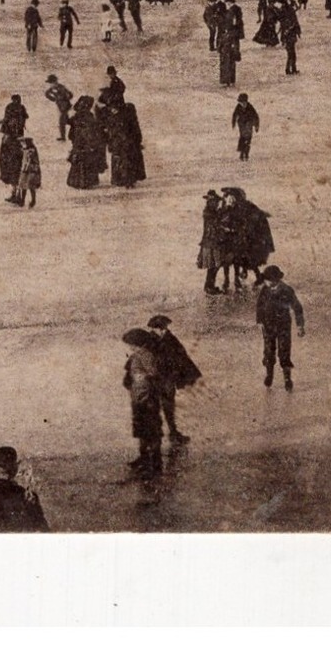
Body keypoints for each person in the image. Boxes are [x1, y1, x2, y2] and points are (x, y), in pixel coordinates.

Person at [147, 314, 201, 445]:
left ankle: (172, 433)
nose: (164, 330)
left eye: (164, 328)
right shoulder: (151, 341)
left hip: (167, 378)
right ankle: (165, 434)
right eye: (162, 328)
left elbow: (182, 355)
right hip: (157, 379)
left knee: (167, 406)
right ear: (156, 328)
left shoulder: (168, 339)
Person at [122, 328, 165, 477]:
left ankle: (154, 463)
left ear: (138, 343)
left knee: (151, 431)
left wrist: (142, 378)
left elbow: (153, 373)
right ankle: (144, 459)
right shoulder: (137, 355)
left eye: (131, 344)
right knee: (142, 429)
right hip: (139, 396)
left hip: (147, 398)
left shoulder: (145, 355)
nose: (130, 347)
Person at [255, 266, 304, 390]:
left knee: (284, 351)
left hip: (283, 326)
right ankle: (269, 374)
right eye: (266, 280)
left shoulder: (287, 290)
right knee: (268, 351)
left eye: (269, 280)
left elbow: (297, 307)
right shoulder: (265, 290)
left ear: (276, 280)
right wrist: (259, 321)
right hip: (268, 326)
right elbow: (259, 306)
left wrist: (300, 325)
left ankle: (287, 378)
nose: (266, 282)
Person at [198, 190, 229, 294]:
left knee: (214, 265)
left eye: (216, 202)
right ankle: (209, 286)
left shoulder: (212, 212)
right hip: (211, 242)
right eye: (214, 202)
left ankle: (210, 286)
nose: (216, 204)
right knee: (214, 265)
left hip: (211, 241)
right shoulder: (208, 213)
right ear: (209, 202)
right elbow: (217, 222)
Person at [13, 137, 42, 207]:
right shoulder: (27, 150)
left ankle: (32, 200)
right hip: (26, 170)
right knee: (24, 186)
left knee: (30, 186)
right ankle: (24, 200)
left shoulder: (31, 151)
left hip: (31, 170)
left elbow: (28, 160)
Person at [44, 75, 73, 141]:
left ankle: (63, 138)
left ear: (55, 82)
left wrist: (62, 98)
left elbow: (70, 95)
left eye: (51, 83)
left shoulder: (61, 88)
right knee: (67, 121)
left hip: (65, 107)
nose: (50, 85)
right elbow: (46, 94)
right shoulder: (52, 89)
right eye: (50, 83)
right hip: (61, 107)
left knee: (62, 122)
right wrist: (53, 99)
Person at [231, 92, 260, 161]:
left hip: (249, 123)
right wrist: (233, 123)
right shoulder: (238, 107)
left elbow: (256, 116)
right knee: (243, 137)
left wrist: (256, 125)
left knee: (248, 138)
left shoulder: (250, 107)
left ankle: (246, 154)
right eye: (241, 103)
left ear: (246, 102)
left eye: (244, 102)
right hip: (241, 124)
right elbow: (234, 115)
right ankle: (241, 153)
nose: (243, 104)